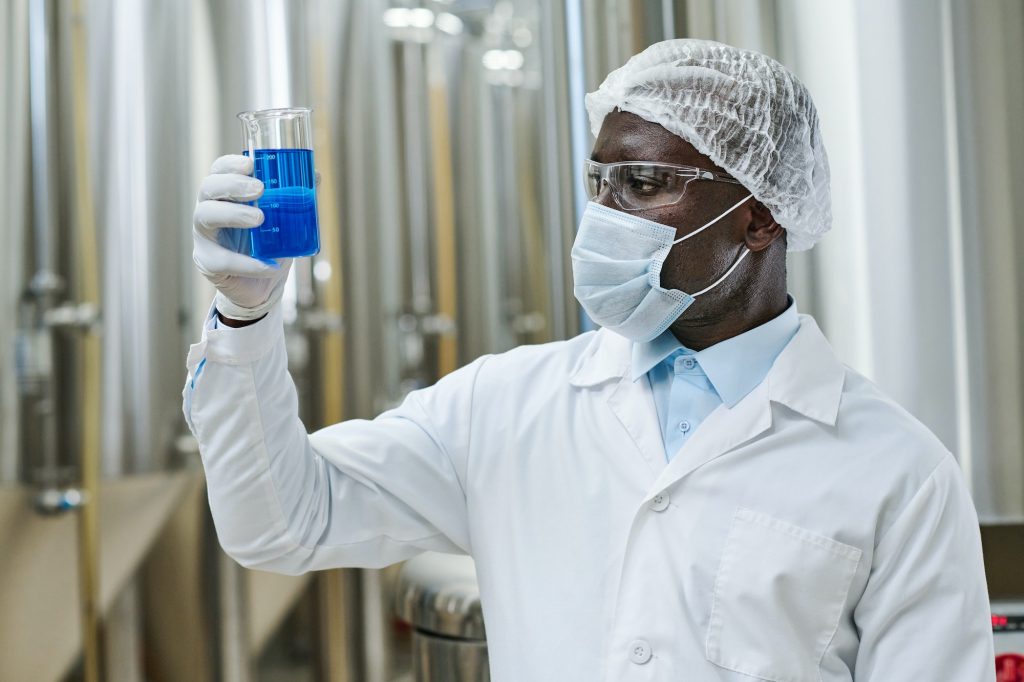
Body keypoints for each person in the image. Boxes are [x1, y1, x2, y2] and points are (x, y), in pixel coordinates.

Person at [185, 39, 995, 681]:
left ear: (758, 220)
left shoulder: (897, 472)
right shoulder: (506, 405)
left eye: (645, 184)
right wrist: (244, 317)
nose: (606, 217)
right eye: (599, 182)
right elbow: (283, 525)